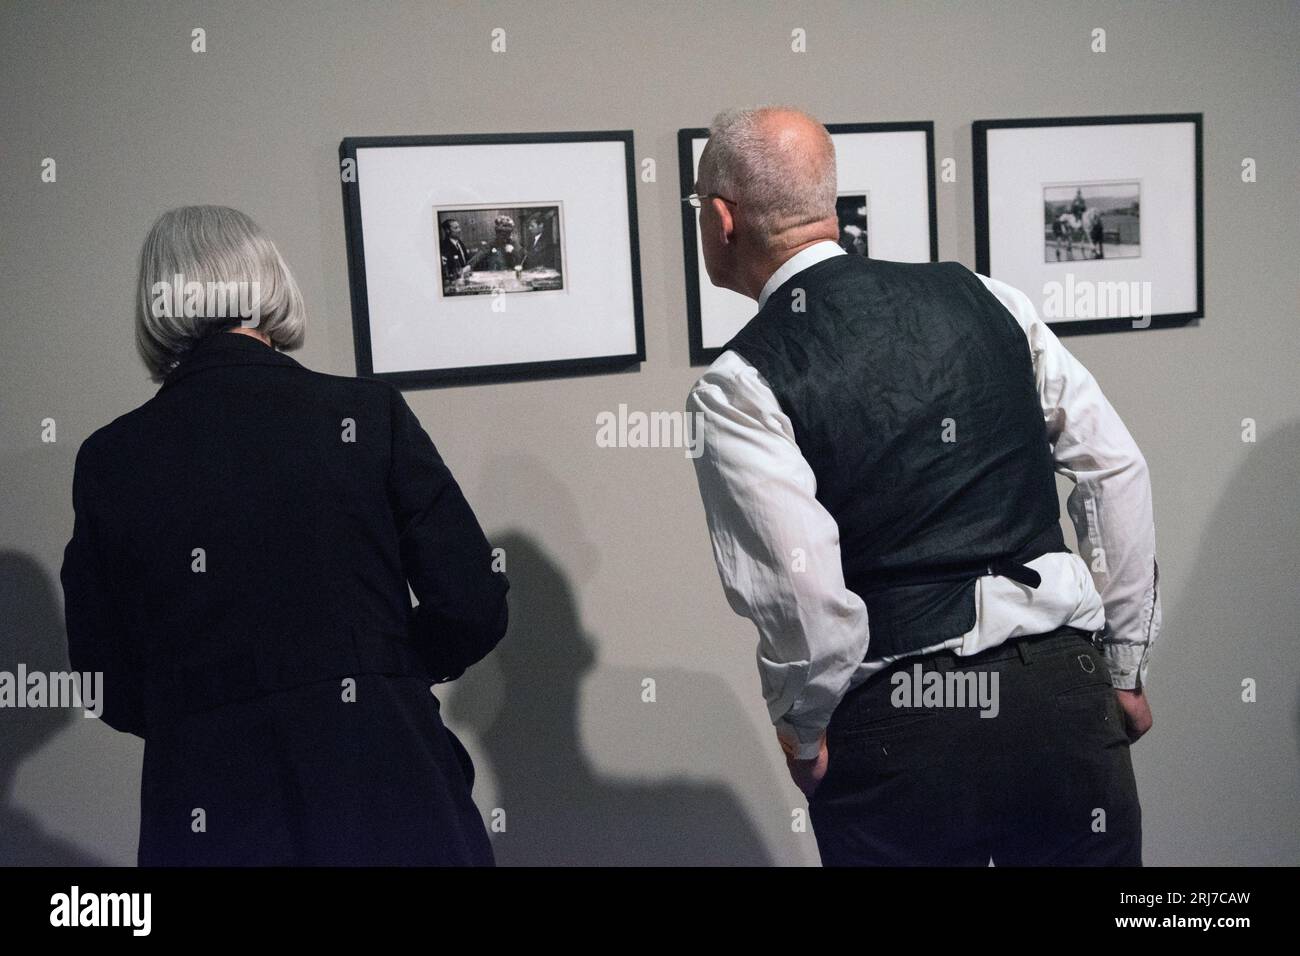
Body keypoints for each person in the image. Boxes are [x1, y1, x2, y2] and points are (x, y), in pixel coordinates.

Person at [685, 107, 1160, 866]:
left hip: (903, 731)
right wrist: (1125, 664)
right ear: (827, 206)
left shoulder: (739, 383)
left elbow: (805, 595)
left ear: (720, 219)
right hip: (1062, 702)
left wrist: (804, 733)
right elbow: (1115, 468)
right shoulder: (987, 298)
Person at [60, 205, 509, 865]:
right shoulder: (366, 416)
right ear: (268, 284)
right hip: (389, 786)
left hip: (209, 806)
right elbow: (472, 601)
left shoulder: (111, 461)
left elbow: (104, 679)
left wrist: (198, 709)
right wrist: (384, 667)